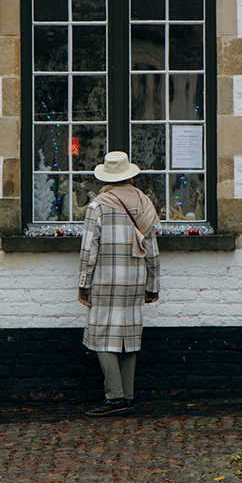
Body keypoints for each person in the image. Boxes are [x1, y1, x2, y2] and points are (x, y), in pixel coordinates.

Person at [77, 152, 160, 417]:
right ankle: (128, 397)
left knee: (102, 336)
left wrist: (83, 284)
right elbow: (152, 249)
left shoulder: (97, 206)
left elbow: (88, 249)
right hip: (135, 280)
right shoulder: (144, 202)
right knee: (129, 335)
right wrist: (152, 284)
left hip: (105, 279)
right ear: (129, 175)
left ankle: (114, 398)